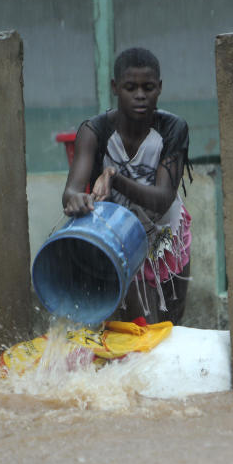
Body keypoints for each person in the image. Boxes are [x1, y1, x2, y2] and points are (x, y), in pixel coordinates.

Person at [62, 47, 192, 324]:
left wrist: (114, 177)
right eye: (130, 87)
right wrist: (76, 200)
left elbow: (162, 198)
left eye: (148, 87)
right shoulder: (95, 131)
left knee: (171, 325)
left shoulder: (172, 129)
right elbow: (71, 191)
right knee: (137, 324)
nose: (140, 95)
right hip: (117, 236)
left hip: (164, 234)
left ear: (160, 88)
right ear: (115, 88)